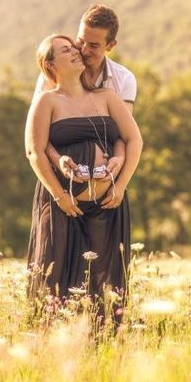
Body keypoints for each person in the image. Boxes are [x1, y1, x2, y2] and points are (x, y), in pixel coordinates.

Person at [25, 33, 143, 326]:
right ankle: (51, 346)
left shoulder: (106, 97)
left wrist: (122, 182)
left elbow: (132, 140)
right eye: (66, 51)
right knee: (56, 276)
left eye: (74, 48)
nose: (77, 52)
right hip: (63, 203)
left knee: (107, 277)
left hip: (108, 202)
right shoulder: (47, 101)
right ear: (50, 65)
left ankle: (104, 343)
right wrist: (59, 195)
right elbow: (34, 151)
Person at [36, 5, 137, 186]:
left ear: (111, 45)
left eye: (93, 45)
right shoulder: (52, 75)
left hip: (106, 190)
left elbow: (125, 134)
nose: (83, 50)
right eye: (80, 41)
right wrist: (58, 160)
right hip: (60, 187)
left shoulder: (124, 80)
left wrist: (120, 158)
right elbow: (37, 138)